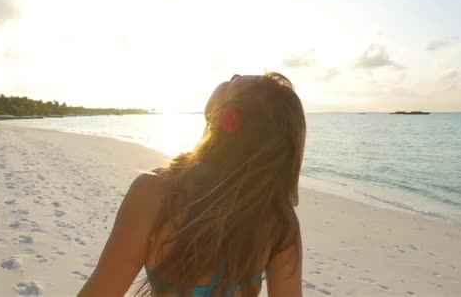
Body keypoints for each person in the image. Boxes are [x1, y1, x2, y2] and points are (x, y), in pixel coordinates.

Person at [78, 72, 306, 297]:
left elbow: (101, 290)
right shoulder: (279, 221)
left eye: (235, 82)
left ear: (225, 117)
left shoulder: (153, 193)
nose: (233, 75)